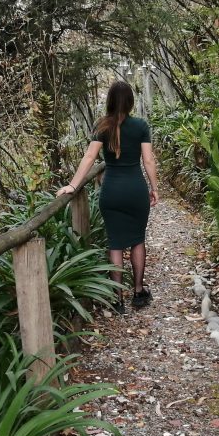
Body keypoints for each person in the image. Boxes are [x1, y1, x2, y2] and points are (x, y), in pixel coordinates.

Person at [59, 81, 159, 310]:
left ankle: (117, 299)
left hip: (111, 191)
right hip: (135, 190)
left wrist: (73, 186)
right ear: (131, 101)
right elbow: (149, 160)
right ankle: (138, 292)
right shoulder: (141, 126)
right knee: (137, 240)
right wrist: (154, 188)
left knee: (115, 243)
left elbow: (89, 157)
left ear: (110, 101)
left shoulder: (101, 126)